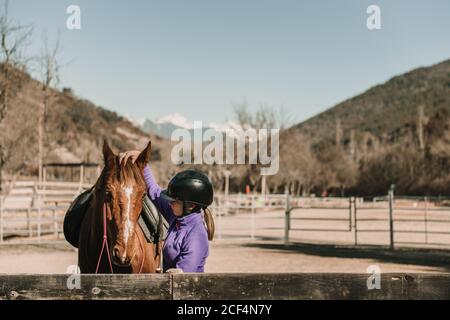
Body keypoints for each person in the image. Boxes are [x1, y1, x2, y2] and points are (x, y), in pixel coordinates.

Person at [119, 151, 215, 273]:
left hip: (186, 290)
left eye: (174, 201)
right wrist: (142, 162)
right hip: (171, 286)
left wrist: (168, 274)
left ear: (190, 205)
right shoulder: (178, 215)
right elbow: (154, 191)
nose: (169, 203)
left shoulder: (197, 235)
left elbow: (183, 274)